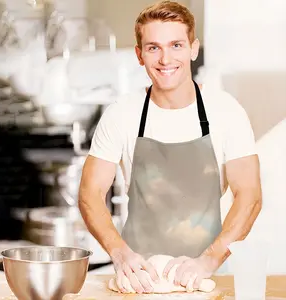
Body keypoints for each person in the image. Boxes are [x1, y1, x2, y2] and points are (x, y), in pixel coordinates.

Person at [79, 0, 262, 294]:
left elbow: (250, 197)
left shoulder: (227, 111)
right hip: (139, 276)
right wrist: (120, 253)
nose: (165, 59)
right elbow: (90, 193)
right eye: (153, 47)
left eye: (176, 45)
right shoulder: (121, 113)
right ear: (139, 54)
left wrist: (208, 261)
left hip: (210, 273)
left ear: (193, 48)